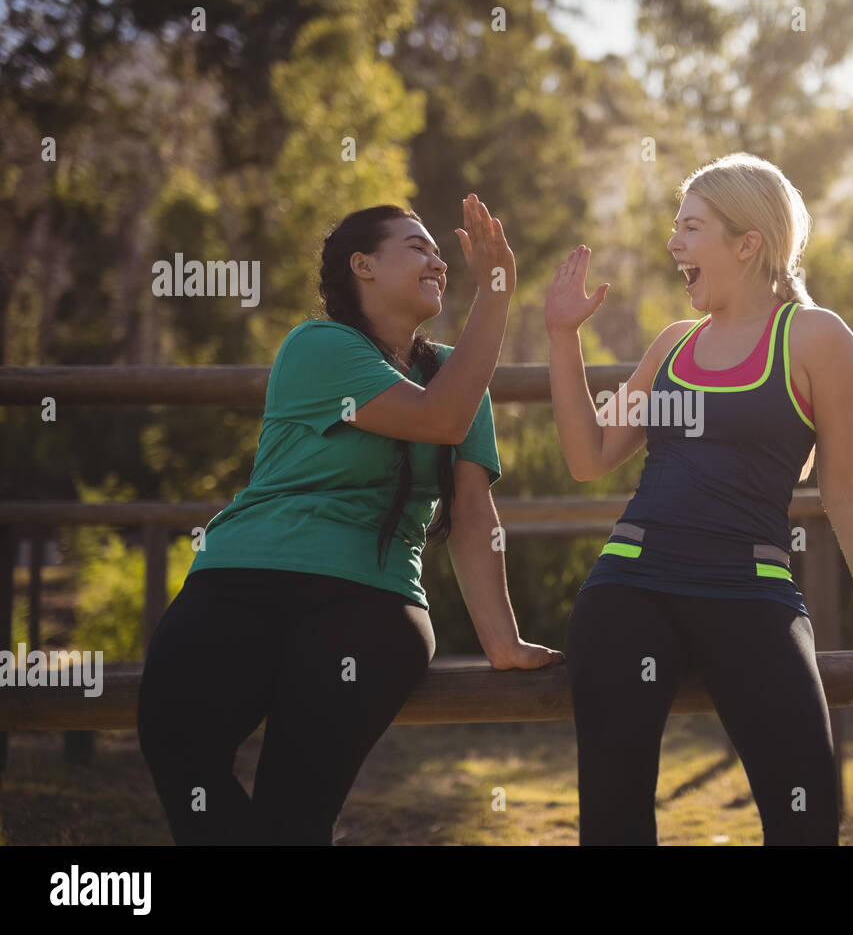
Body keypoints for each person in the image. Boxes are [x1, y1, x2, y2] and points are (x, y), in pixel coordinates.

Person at [545, 153, 853, 845]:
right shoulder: (671, 347)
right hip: (629, 587)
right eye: (676, 229)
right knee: (613, 820)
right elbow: (589, 456)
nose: (674, 243)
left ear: (748, 243)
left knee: (806, 815)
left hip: (750, 589)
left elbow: (847, 486)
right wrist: (563, 337)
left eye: (691, 227)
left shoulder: (818, 338)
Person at [138, 197, 562, 846]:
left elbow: (474, 511)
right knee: (176, 741)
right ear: (362, 265)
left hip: (370, 601)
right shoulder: (319, 346)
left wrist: (501, 642)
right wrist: (496, 294)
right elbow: (436, 419)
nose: (439, 259)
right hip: (243, 578)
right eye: (417, 245)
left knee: (294, 815)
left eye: (438, 250)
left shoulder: (455, 372)